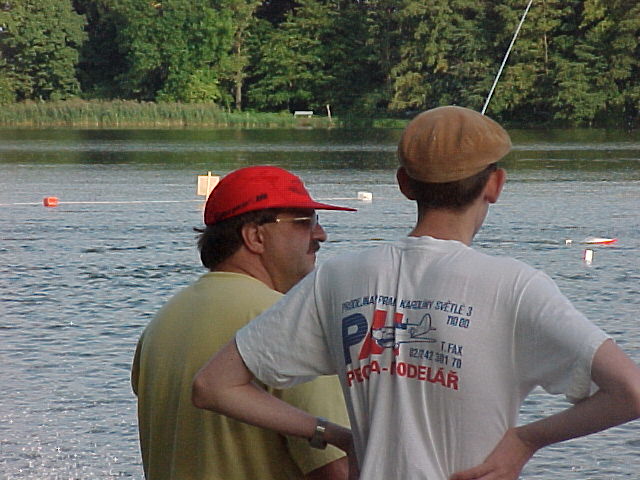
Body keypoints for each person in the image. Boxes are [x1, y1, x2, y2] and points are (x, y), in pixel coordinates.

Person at [192, 106, 640, 480]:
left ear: (404, 183)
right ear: (495, 185)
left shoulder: (338, 278)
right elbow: (630, 391)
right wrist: (527, 440)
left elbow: (214, 385)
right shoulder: (516, 287)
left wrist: (335, 435)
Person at [131, 165, 356, 480]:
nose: (320, 235)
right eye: (304, 222)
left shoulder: (162, 323)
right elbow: (337, 469)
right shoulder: (285, 321)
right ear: (255, 236)